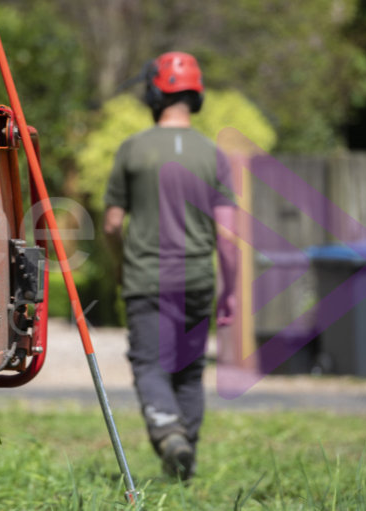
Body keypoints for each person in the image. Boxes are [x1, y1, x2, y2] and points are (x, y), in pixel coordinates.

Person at [103, 52, 238, 480]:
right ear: (195, 96)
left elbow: (110, 224)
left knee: (149, 364)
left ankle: (167, 432)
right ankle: (184, 461)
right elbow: (230, 236)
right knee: (189, 371)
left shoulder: (132, 149)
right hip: (198, 280)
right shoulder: (214, 154)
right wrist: (230, 289)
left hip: (146, 278)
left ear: (154, 93)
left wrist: (121, 268)